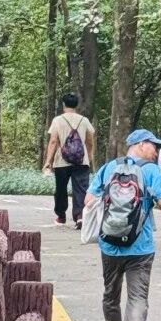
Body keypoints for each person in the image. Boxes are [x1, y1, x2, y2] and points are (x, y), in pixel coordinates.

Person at [85, 130, 161, 321]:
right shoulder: (151, 170)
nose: (156, 151)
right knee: (138, 296)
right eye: (154, 146)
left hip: (109, 244)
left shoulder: (108, 168)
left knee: (111, 294)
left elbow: (89, 200)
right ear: (141, 144)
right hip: (140, 246)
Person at [43, 93, 94, 229]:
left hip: (62, 161)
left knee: (61, 189)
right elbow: (90, 141)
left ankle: (61, 216)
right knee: (81, 189)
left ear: (63, 105)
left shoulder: (58, 120)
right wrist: (89, 157)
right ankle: (80, 216)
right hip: (81, 161)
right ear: (76, 105)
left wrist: (48, 161)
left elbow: (53, 141)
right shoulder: (84, 120)